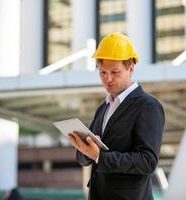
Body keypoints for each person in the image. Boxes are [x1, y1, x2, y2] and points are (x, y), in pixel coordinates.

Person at [68, 32, 165, 200]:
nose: (108, 78)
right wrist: (83, 149)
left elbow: (147, 161)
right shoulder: (103, 108)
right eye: (102, 72)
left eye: (115, 72)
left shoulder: (148, 106)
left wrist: (99, 155)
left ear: (131, 68)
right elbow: (86, 160)